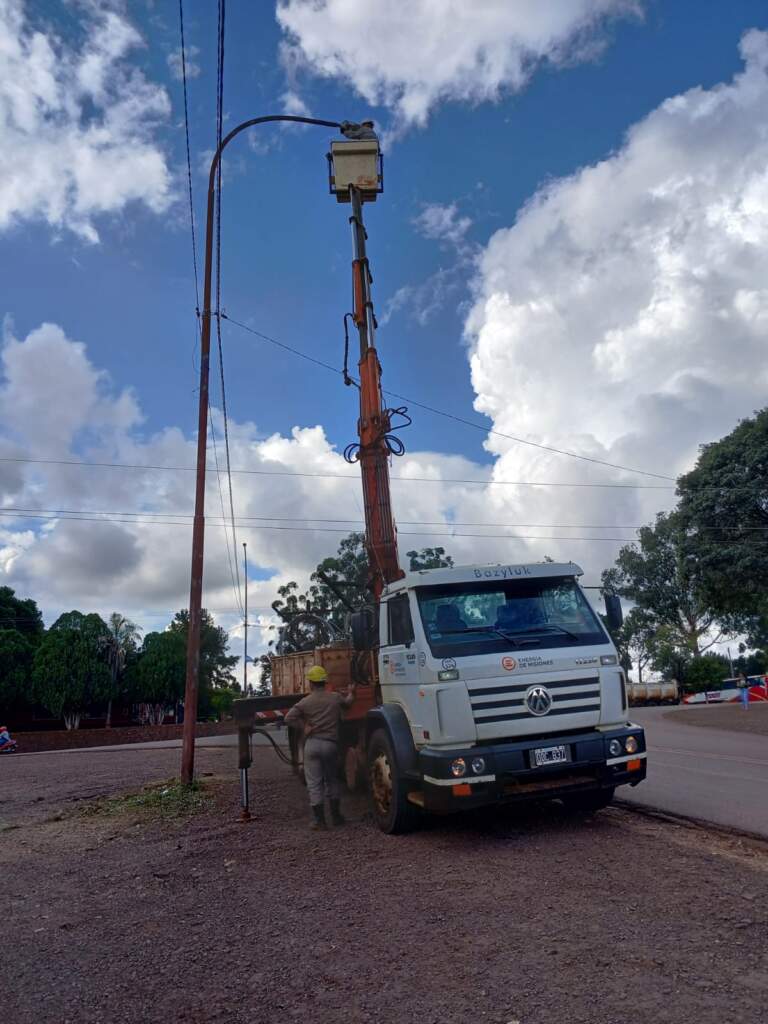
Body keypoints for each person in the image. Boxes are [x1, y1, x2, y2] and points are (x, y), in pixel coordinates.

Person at [284, 665, 356, 830]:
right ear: (325, 681)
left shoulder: (305, 702)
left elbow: (288, 718)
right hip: (330, 745)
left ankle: (319, 821)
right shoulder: (335, 698)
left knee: (315, 783)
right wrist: (352, 692)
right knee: (332, 780)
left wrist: (304, 727)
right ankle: (337, 817)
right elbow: (348, 703)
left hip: (313, 745)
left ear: (311, 683)